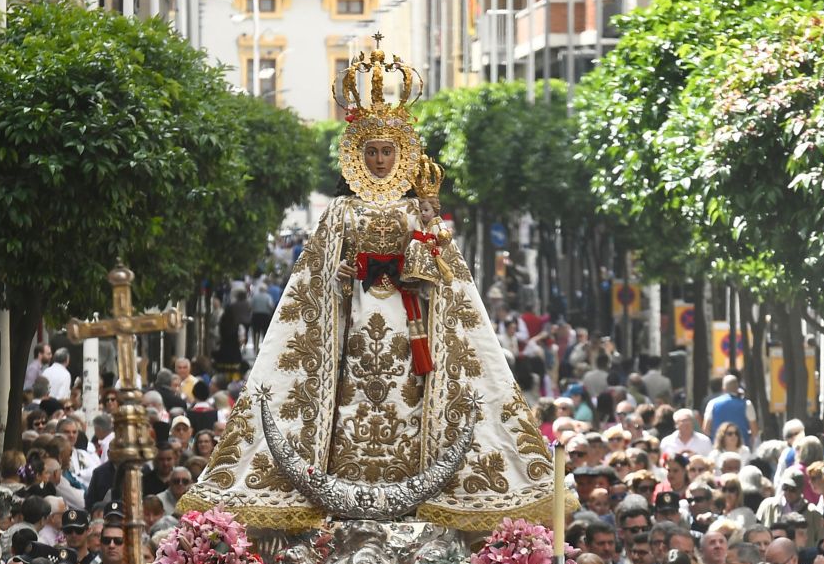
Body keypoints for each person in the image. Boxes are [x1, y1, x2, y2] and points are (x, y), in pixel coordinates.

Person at [177, 42, 558, 532]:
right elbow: (313, 280)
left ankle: (420, 475)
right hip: (355, 321)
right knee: (351, 390)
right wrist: (338, 279)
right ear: (359, 155)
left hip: (410, 322)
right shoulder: (341, 211)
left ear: (402, 154)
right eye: (372, 151)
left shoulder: (417, 210)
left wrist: (425, 244)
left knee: (411, 389)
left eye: (387, 151)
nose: (380, 160)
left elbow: (445, 278)